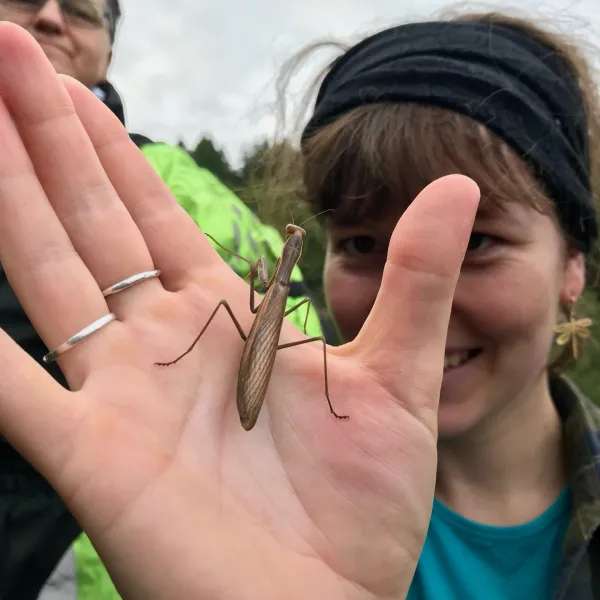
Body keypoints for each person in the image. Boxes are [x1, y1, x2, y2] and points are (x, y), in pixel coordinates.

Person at [0, 9, 598, 600]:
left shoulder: (284, 309)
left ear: (576, 261)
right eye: (361, 243)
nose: (417, 291)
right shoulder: (270, 476)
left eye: (477, 242)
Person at [0, 1, 322, 599]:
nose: (49, 17)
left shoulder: (172, 182)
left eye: (79, 11)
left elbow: (307, 335)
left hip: (127, 548)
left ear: (110, 51)